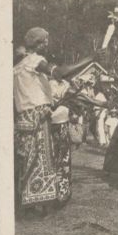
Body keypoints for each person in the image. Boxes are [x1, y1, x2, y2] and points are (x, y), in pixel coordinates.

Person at [14, 27, 103, 217]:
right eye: (44, 41)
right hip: (38, 117)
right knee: (41, 159)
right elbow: (60, 73)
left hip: (24, 119)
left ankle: (27, 203)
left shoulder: (18, 66)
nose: (47, 45)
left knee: (26, 158)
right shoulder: (35, 61)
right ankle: (35, 203)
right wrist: (90, 58)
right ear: (36, 44)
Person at [50, 78, 72, 206]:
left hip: (62, 130)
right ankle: (55, 193)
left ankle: (62, 193)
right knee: (56, 161)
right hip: (53, 130)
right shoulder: (49, 83)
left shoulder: (66, 85)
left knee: (63, 162)